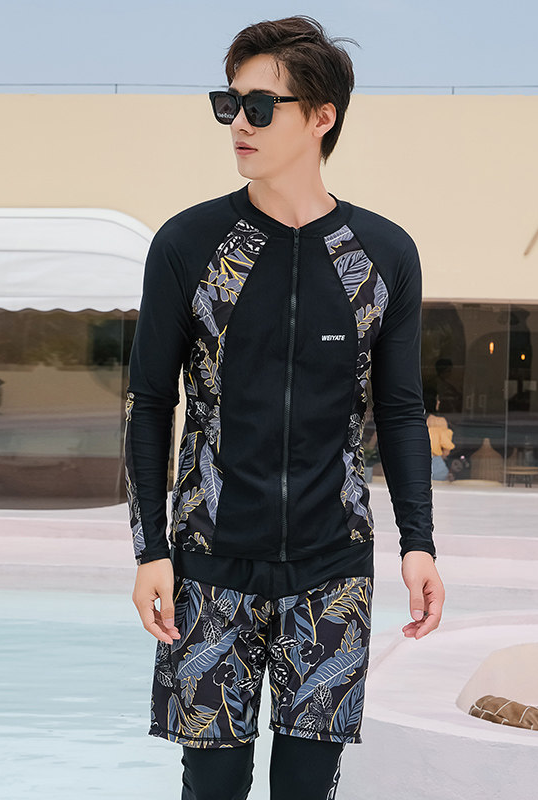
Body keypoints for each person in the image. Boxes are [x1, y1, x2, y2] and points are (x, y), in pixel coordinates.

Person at [124, 15, 444, 800]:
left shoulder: (382, 256)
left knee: (308, 787)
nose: (239, 122)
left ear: (322, 116)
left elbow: (401, 411)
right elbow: (149, 403)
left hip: (333, 569)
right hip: (209, 564)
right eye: (229, 103)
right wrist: (150, 549)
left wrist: (419, 543)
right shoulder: (189, 244)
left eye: (261, 107)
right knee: (213, 786)